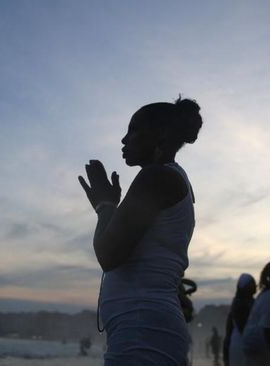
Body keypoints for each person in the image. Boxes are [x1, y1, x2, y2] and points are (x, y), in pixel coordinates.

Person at [79, 97, 203, 365]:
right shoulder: (165, 177)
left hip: (144, 330)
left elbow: (108, 255)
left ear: (158, 134)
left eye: (133, 130)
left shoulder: (156, 178)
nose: (124, 140)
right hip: (143, 328)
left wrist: (104, 205)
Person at [223, 273, 257, 366]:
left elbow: (228, 334)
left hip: (236, 346)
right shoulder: (245, 305)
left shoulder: (236, 304)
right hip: (243, 346)